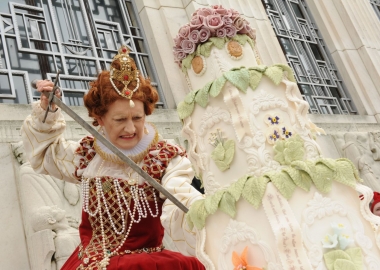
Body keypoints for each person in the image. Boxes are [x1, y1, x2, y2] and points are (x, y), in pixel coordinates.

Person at [21, 45, 205, 269]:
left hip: (145, 263)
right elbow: (46, 154)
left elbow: (181, 194)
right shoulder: (88, 154)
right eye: (120, 120)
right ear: (99, 118)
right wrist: (47, 112)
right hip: (88, 262)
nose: (130, 128)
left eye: (137, 117)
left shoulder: (163, 156)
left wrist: (203, 210)